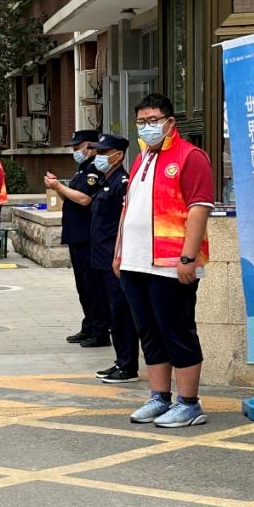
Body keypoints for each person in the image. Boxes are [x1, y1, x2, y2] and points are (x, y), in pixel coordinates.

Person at [114, 94, 214, 428]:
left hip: (171, 264)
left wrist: (188, 257)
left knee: (177, 330)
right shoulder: (141, 157)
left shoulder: (190, 157)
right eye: (141, 121)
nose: (147, 127)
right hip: (135, 262)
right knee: (149, 332)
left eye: (153, 120)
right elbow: (128, 209)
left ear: (170, 122)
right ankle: (159, 397)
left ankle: (189, 403)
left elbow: (199, 208)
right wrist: (119, 253)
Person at [45, 129, 110, 348]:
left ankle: (100, 330)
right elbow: (71, 197)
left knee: (92, 286)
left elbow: (84, 199)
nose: (75, 152)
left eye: (77, 147)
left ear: (90, 146)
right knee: (83, 286)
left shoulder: (94, 170)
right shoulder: (82, 170)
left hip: (88, 237)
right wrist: (57, 187)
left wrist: (58, 186)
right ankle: (89, 325)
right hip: (77, 237)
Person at [87, 134, 140, 384]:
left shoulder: (122, 183)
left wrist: (119, 256)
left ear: (118, 155)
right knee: (112, 312)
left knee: (122, 313)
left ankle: (128, 366)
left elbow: (124, 224)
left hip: (114, 260)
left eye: (103, 152)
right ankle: (120, 361)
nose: (98, 157)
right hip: (101, 258)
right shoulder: (106, 181)